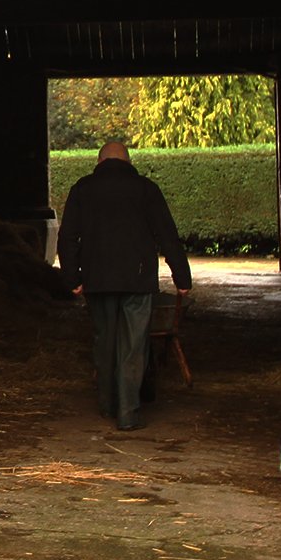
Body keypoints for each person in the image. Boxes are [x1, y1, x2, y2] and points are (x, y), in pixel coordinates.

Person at [57, 141, 192, 430]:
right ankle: (128, 413)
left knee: (104, 342)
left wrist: (73, 278)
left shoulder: (82, 189)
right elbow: (168, 235)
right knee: (134, 345)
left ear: (99, 161)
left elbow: (67, 237)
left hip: (97, 279)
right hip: (137, 279)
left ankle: (106, 405)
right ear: (128, 162)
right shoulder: (146, 189)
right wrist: (182, 278)